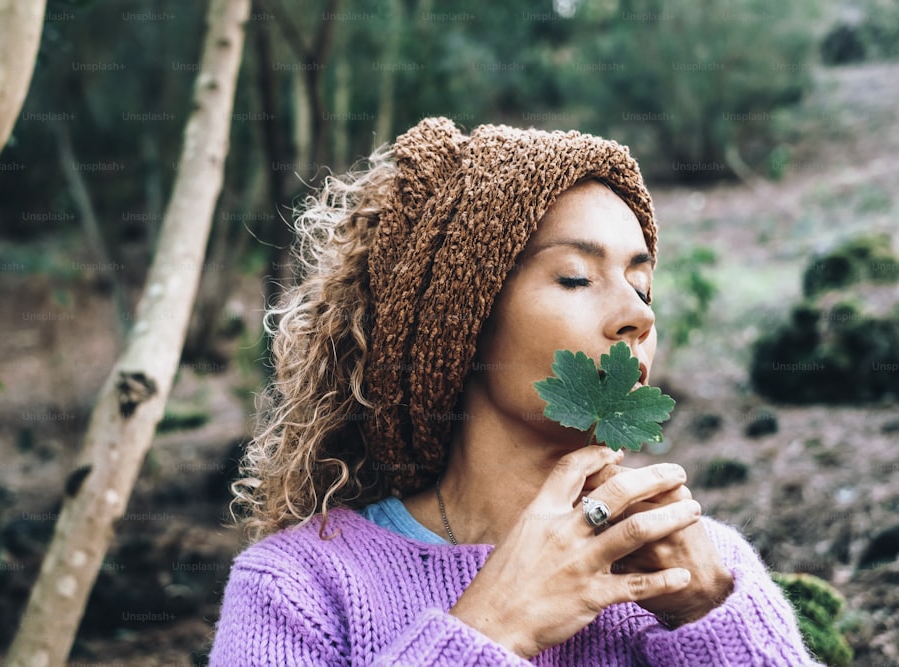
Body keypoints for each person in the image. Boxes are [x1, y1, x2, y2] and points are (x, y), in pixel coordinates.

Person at [208, 117, 819, 665]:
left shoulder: (706, 567)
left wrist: (710, 615)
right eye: (576, 277)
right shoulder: (298, 587)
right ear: (460, 323)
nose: (639, 314)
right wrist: (493, 628)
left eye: (643, 285)